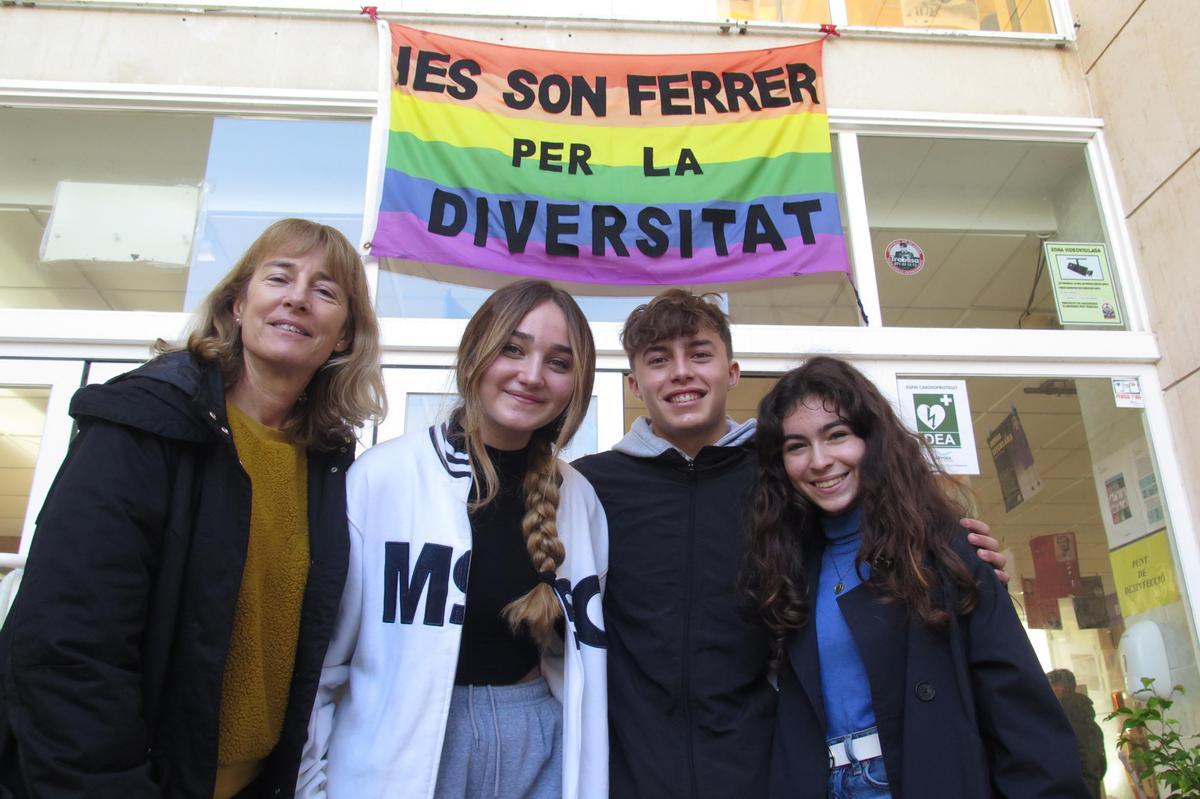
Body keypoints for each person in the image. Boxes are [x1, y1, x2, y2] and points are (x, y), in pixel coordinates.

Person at [0, 218, 385, 798]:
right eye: (280, 277)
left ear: (343, 337)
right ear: (237, 304)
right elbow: (66, 647)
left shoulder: (329, 465)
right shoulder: (144, 425)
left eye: (326, 292)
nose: (298, 298)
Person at [571, 290, 1007, 798]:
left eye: (700, 353)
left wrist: (954, 552)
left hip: (770, 772)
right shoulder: (591, 487)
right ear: (634, 385)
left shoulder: (784, 472)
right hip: (629, 775)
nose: (681, 372)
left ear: (732, 373)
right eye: (658, 360)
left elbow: (878, 534)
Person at [298, 280, 609, 799]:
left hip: (536, 739)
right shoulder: (383, 477)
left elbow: (580, 659)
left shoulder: (578, 498)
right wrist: (312, 782)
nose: (531, 375)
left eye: (559, 362)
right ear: (474, 355)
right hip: (405, 749)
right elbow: (324, 663)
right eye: (513, 348)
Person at [744, 356, 1089, 798]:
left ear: (872, 440)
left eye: (837, 436)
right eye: (796, 446)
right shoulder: (787, 568)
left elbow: (1018, 709)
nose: (820, 461)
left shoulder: (946, 549)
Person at [1048, 668, 1107, 799]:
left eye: (1048, 689)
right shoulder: (1083, 717)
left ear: (1058, 688)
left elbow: (1087, 761)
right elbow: (1097, 764)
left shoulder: (1068, 716)